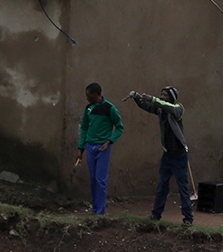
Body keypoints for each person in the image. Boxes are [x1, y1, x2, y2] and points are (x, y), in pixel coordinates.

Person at [128, 87, 193, 225]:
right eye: (161, 94)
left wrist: (154, 99)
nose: (162, 97)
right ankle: (156, 214)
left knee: (183, 189)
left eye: (165, 95)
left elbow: (167, 107)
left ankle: (188, 218)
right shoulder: (160, 109)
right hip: (167, 155)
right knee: (162, 186)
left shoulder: (178, 109)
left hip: (179, 156)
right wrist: (136, 97)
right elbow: (147, 106)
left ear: (172, 98)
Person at [75, 83, 124, 214]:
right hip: (90, 147)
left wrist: (109, 142)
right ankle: (94, 209)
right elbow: (84, 128)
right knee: (93, 180)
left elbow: (119, 127)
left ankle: (100, 212)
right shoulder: (89, 108)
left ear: (95, 95)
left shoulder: (110, 108)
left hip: (103, 148)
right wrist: (81, 148)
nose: (87, 98)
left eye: (88, 96)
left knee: (100, 180)